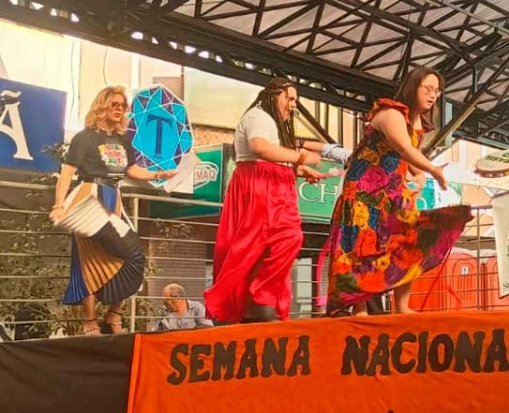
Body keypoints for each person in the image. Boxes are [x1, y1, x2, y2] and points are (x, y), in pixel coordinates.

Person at [323, 66, 471, 316]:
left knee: (409, 241)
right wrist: (432, 169)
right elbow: (403, 147)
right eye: (428, 88)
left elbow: (408, 157)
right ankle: (359, 308)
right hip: (364, 192)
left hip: (392, 193)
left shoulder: (417, 122)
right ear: (413, 87)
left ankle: (402, 305)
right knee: (360, 246)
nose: (433, 95)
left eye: (437, 91)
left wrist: (419, 173)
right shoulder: (390, 113)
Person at [49, 86, 176, 335]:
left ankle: (114, 313)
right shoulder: (84, 137)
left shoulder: (122, 139)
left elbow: (130, 169)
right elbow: (67, 172)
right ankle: (90, 321)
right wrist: (59, 204)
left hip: (113, 197)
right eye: (114, 104)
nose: (119, 109)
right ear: (102, 106)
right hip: (88, 198)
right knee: (88, 260)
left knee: (132, 254)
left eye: (122, 106)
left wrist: (158, 174)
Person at [205, 78, 325, 324]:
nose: (293, 105)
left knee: (275, 244)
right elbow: (260, 148)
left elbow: (271, 157)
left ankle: (259, 301)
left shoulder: (270, 121)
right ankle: (259, 299)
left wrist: (299, 170)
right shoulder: (259, 116)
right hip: (261, 187)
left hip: (273, 186)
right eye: (290, 99)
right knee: (272, 242)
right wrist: (301, 157)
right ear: (273, 95)